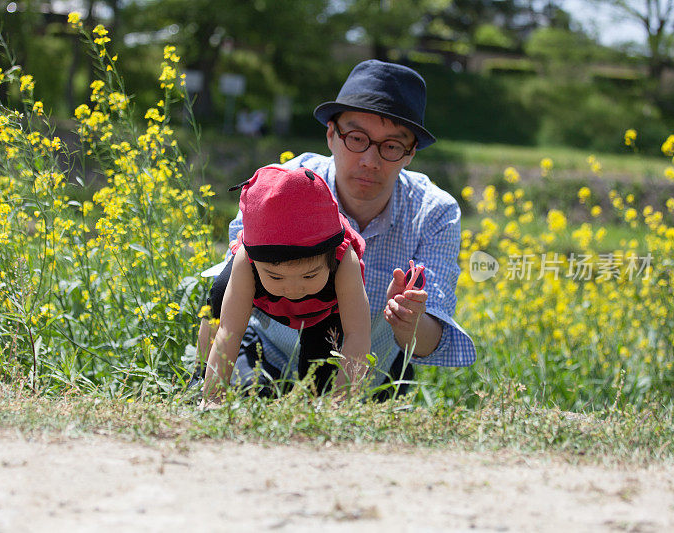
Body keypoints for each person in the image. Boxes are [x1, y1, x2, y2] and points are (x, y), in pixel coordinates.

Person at [204, 58, 477, 400]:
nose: (370, 160)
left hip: (369, 377)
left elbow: (431, 341)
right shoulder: (279, 188)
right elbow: (229, 287)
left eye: (392, 146)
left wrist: (408, 322)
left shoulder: (434, 212)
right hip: (265, 360)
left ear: (411, 153)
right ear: (331, 134)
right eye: (356, 138)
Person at [200, 165, 371, 402]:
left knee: (320, 370)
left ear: (331, 256)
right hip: (254, 286)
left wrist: (343, 403)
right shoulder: (247, 260)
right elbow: (230, 331)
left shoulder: (344, 260)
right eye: (277, 277)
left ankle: (317, 405)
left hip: (324, 307)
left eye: (308, 275)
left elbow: (357, 334)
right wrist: (212, 399)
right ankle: (200, 379)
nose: (292, 289)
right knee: (218, 302)